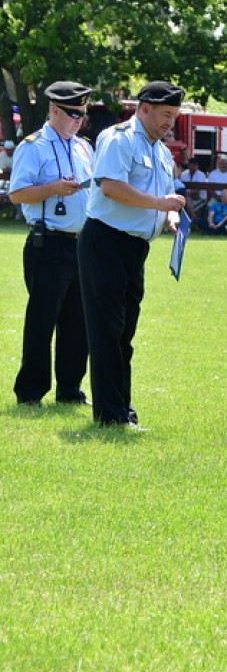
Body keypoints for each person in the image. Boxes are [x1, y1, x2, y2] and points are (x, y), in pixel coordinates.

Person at [78, 80, 187, 428]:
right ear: (145, 108)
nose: (170, 122)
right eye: (166, 115)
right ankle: (110, 414)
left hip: (135, 247)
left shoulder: (160, 150)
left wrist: (170, 217)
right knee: (108, 330)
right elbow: (111, 188)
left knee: (124, 332)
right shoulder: (118, 139)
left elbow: (164, 197)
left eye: (174, 116)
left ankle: (121, 408)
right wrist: (159, 204)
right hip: (105, 241)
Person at [8, 81, 94, 407]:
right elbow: (17, 194)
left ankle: (70, 390)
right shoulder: (33, 146)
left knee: (78, 322)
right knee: (42, 321)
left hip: (82, 244)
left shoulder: (84, 147)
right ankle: (30, 392)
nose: (78, 120)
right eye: (73, 113)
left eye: (82, 114)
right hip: (48, 243)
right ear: (54, 110)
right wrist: (54, 188)